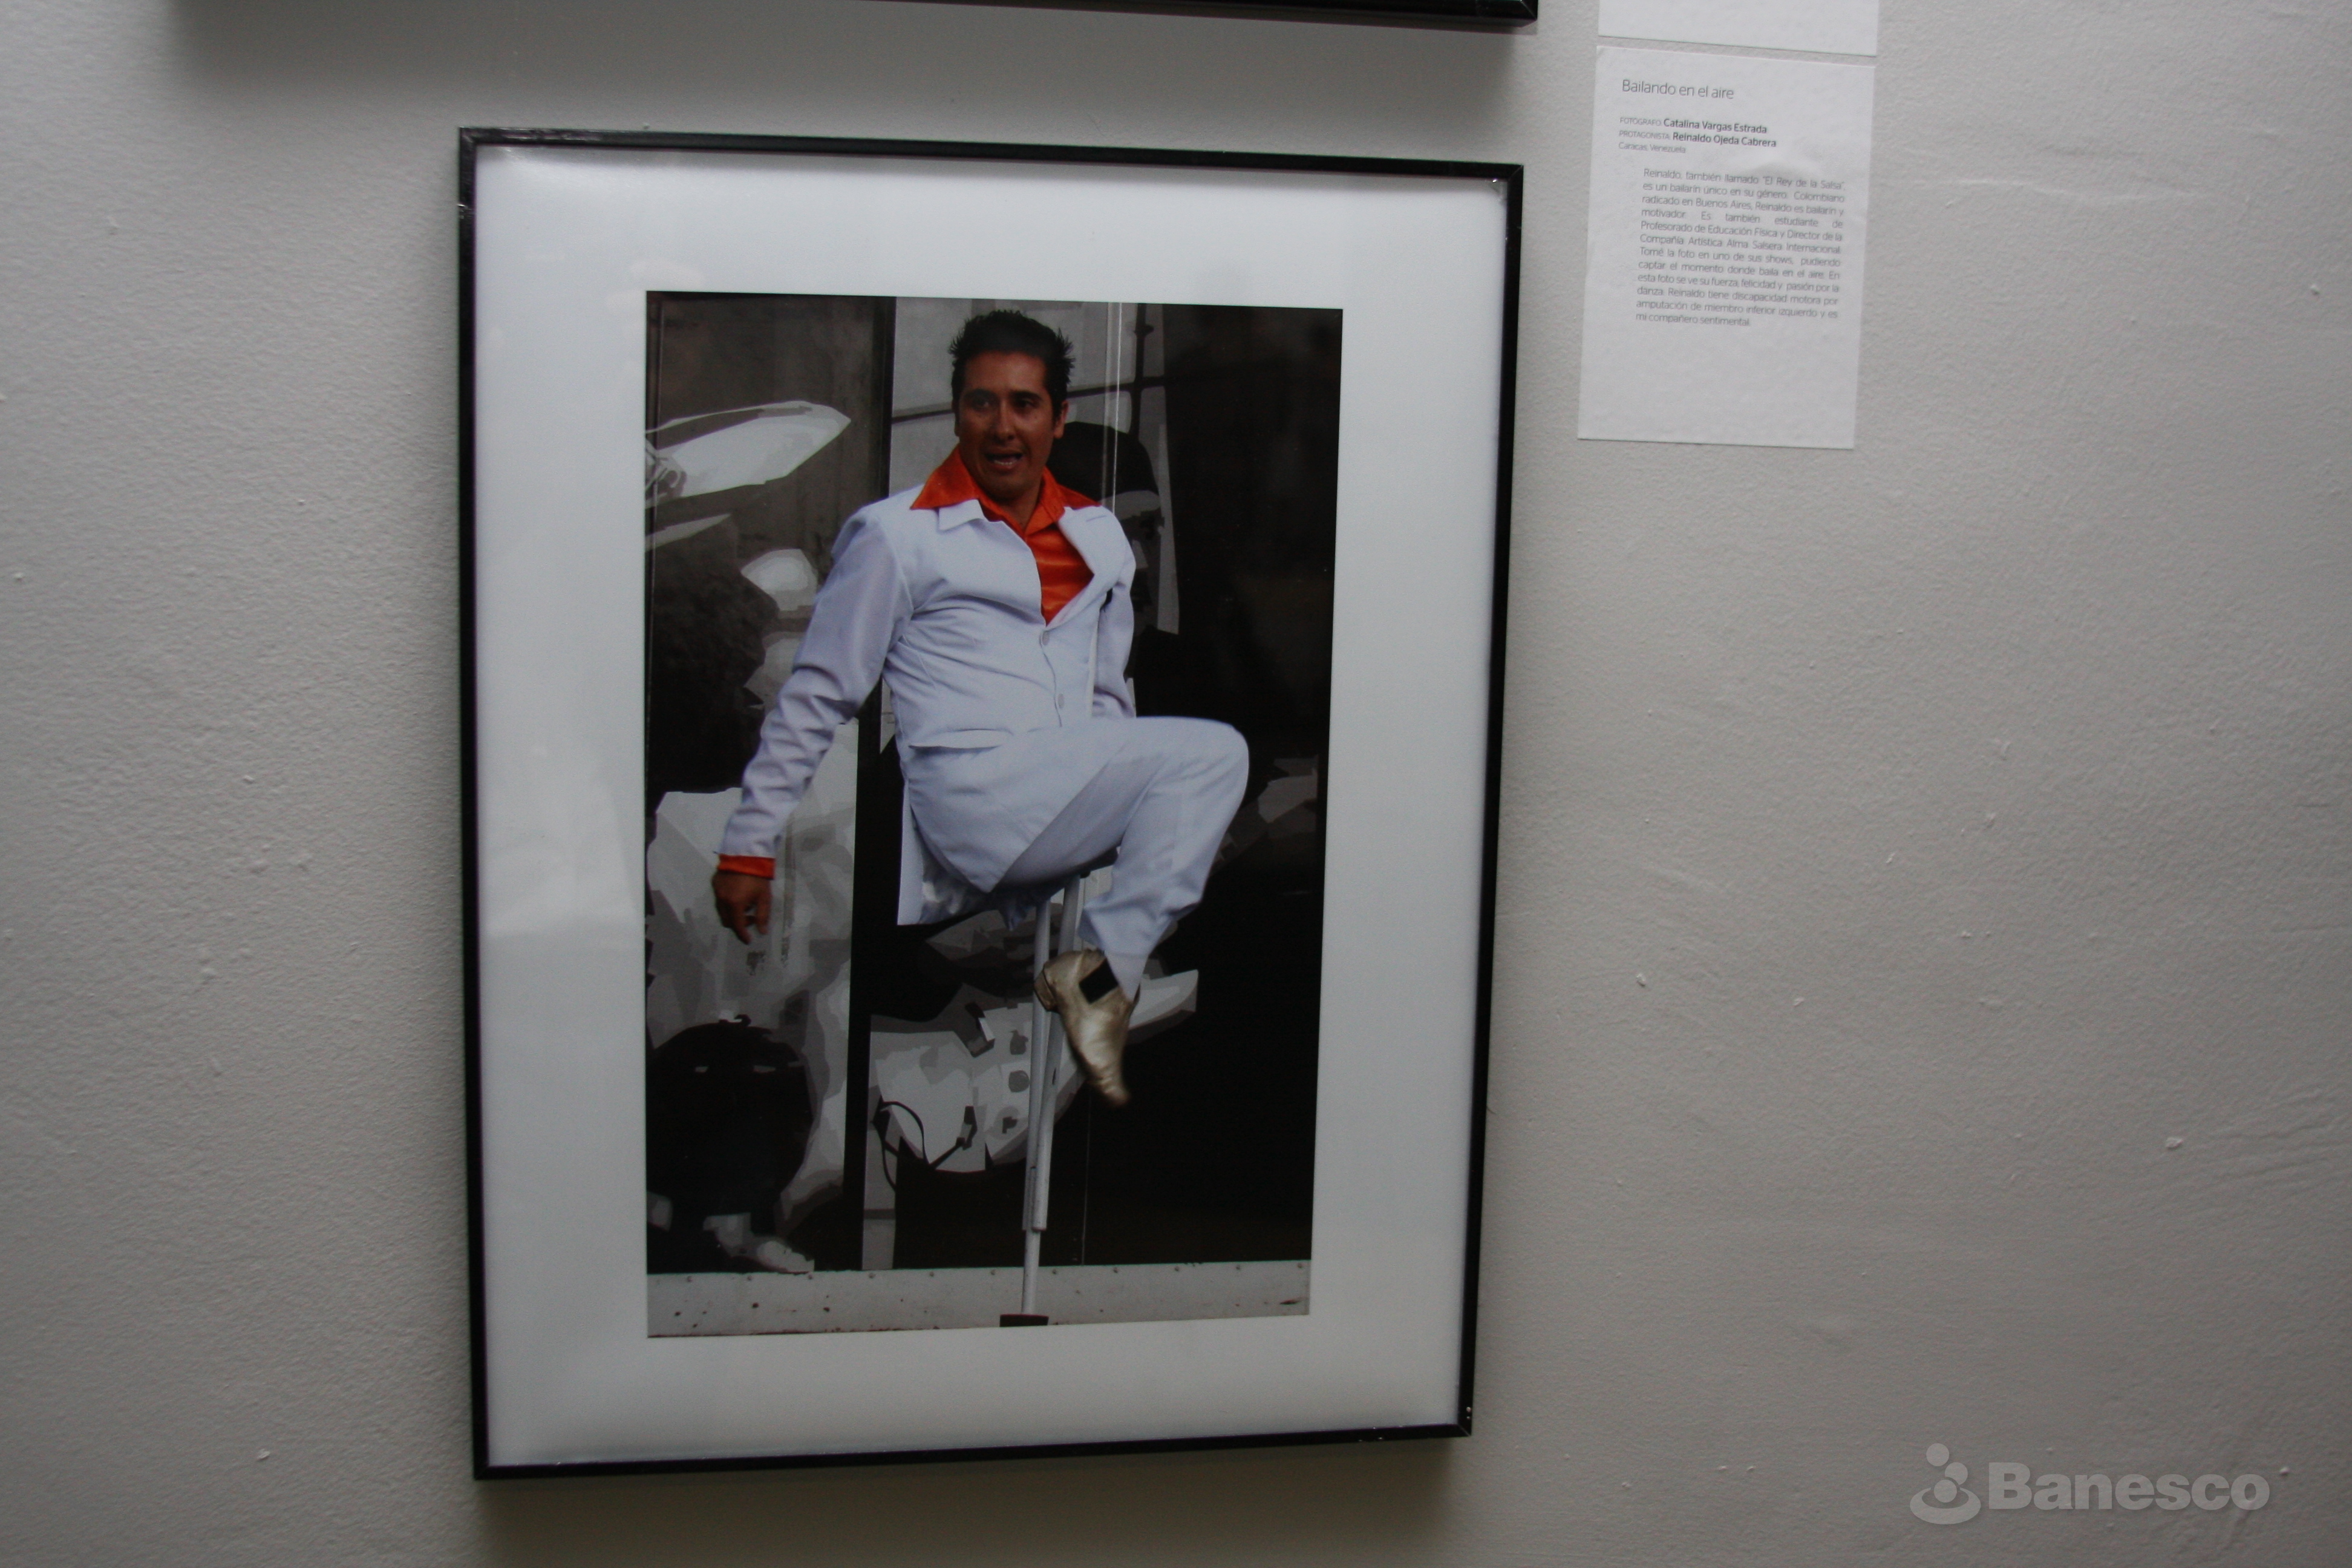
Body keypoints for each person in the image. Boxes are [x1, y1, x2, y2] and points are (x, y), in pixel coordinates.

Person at [710, 310, 1248, 1106]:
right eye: (983, 403)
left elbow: (1136, 737)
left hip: (1149, 1047)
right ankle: (1096, 980)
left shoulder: (1173, 655)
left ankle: (1099, 982)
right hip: (989, 1047)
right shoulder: (905, 551)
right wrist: (751, 849)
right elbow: (822, 698)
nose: (1135, 555)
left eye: (1149, 527)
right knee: (1210, 759)